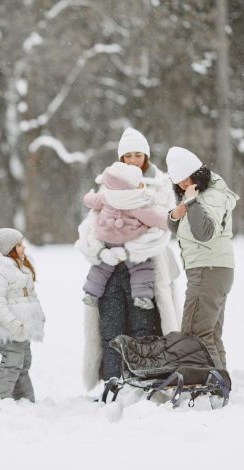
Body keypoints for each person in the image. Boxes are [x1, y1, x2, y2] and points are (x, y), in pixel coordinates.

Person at [75, 128, 180, 389]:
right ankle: (114, 382)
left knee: (143, 330)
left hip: (146, 269)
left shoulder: (160, 185)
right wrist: (101, 252)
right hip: (109, 270)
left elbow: (161, 227)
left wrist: (130, 251)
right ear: (121, 158)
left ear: (145, 156)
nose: (133, 159)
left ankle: (144, 382)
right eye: (128, 155)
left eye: (138, 154)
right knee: (111, 329)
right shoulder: (110, 182)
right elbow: (91, 226)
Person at [165, 146, 239, 371]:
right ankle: (218, 382)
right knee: (210, 332)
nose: (182, 186)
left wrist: (191, 202)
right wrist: (174, 215)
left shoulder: (211, 196)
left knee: (195, 332)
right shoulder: (198, 197)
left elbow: (204, 233)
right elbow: (181, 229)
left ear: (196, 174)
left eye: (185, 180)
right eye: (177, 183)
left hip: (209, 269)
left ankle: (209, 384)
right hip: (211, 269)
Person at [82, 161, 169, 309]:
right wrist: (167, 222)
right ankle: (142, 296)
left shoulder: (106, 196)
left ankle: (91, 293)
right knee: (140, 266)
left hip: (106, 238)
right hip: (129, 240)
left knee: (101, 267)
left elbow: (90, 201)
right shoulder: (136, 200)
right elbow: (152, 218)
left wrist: (89, 195)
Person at [0, 228, 45, 401]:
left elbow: (31, 294)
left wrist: (38, 315)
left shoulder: (21, 267)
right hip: (7, 326)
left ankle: (24, 399)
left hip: (23, 325)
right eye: (18, 245)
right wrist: (13, 324)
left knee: (24, 362)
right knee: (12, 362)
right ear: (8, 249)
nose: (23, 247)